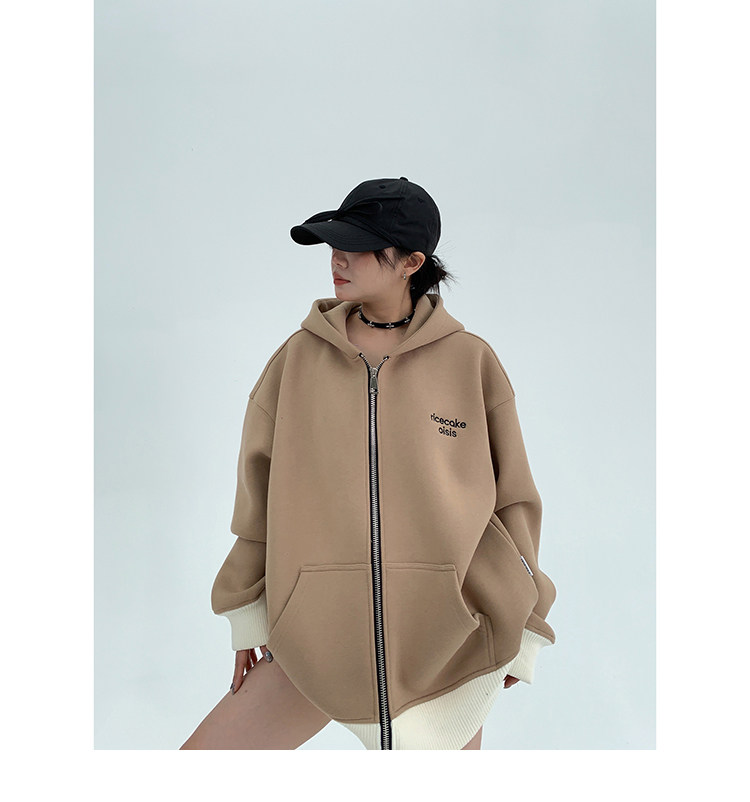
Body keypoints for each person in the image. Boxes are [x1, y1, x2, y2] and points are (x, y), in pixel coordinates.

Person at [180, 177, 557, 750]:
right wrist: (248, 614)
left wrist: (525, 628)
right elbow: (257, 496)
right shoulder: (296, 360)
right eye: (335, 244)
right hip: (314, 638)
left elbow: (515, 503)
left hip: (448, 648)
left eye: (358, 246)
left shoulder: (470, 362)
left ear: (411, 262)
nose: (338, 258)